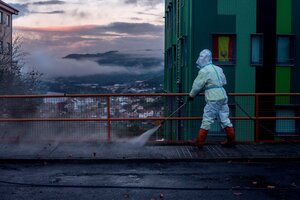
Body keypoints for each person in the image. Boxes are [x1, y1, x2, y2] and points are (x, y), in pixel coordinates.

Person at [187, 49, 235, 148]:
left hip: (213, 97)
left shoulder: (204, 71)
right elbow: (224, 81)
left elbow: (197, 86)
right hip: (223, 95)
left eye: (201, 57)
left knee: (207, 119)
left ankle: (199, 142)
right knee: (225, 118)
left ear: (204, 58)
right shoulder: (218, 69)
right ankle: (231, 141)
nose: (199, 59)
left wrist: (191, 96)